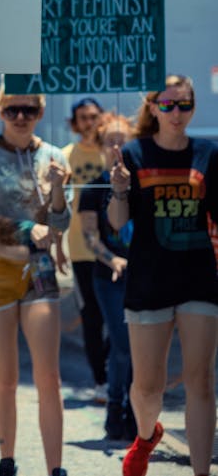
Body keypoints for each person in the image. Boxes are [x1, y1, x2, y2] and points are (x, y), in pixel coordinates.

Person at [108, 75, 217, 476]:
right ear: (152, 107)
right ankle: (145, 435)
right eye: (168, 106)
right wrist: (119, 190)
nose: (176, 114)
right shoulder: (134, 154)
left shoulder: (207, 154)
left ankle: (202, 471)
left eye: (184, 106)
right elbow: (119, 223)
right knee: (148, 386)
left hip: (199, 279)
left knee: (201, 381)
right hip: (149, 281)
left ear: (193, 108)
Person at [0, 90, 70, 476]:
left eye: (29, 109)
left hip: (39, 273)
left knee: (49, 377)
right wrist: (26, 228)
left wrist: (58, 189)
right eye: (12, 110)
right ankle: (7, 460)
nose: (20, 117)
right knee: (5, 378)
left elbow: (59, 226)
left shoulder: (55, 155)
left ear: (40, 111)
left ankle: (55, 467)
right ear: (1, 111)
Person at [78, 113, 136, 441]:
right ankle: (116, 408)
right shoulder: (92, 188)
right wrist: (111, 258)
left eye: (122, 140)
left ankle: (134, 410)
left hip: (143, 274)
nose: (116, 146)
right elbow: (89, 235)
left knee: (137, 345)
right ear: (101, 147)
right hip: (107, 276)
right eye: (110, 141)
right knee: (122, 343)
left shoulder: (140, 181)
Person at [62, 97, 109, 403]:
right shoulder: (66, 155)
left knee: (118, 317)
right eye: (83, 117)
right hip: (80, 250)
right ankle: (100, 379)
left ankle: (114, 371)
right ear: (75, 123)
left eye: (94, 116)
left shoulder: (114, 153)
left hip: (115, 249)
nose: (89, 122)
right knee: (91, 317)